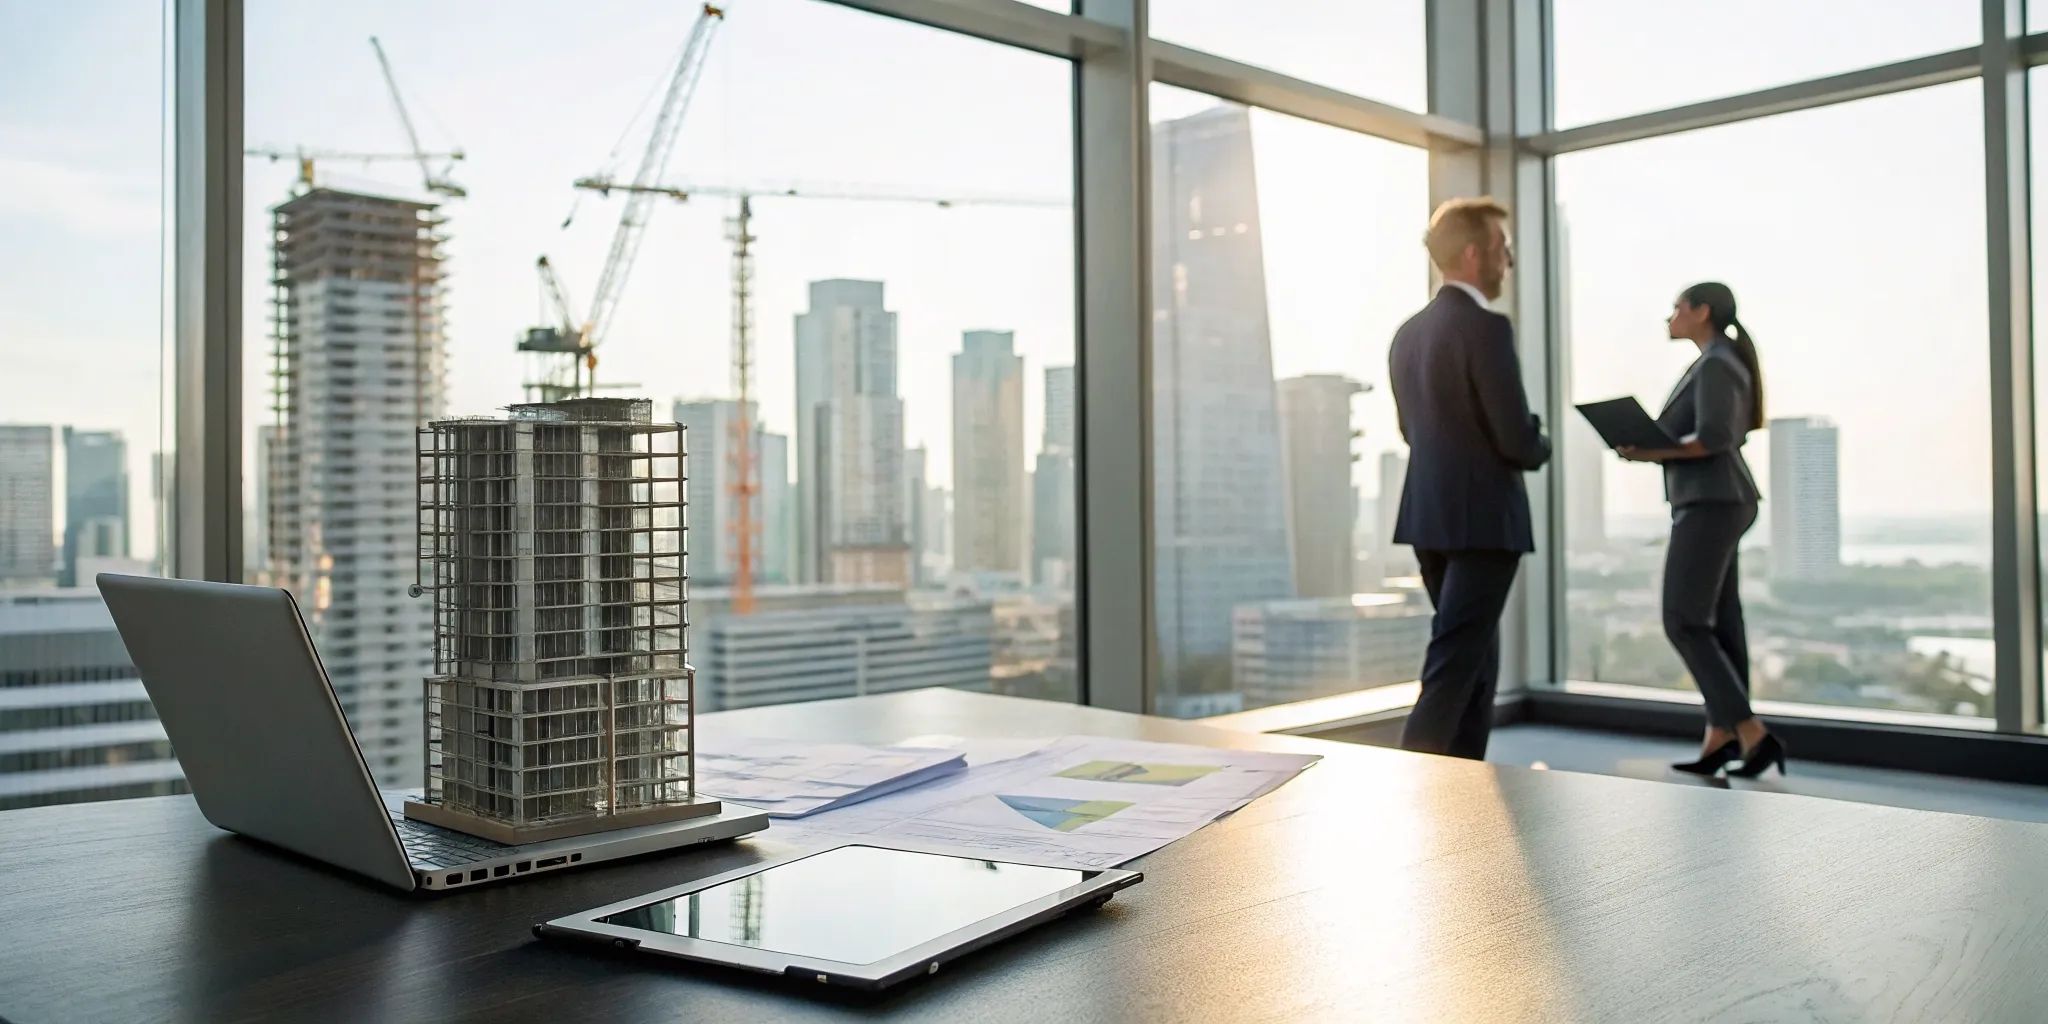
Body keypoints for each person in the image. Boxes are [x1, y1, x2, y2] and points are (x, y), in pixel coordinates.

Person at [1388, 197, 1550, 760]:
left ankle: (1465, 779)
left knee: (1475, 654)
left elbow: (1411, 430)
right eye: (1504, 250)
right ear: (1476, 252)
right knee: (1457, 657)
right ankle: (1416, 772)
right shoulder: (1487, 329)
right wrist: (1541, 438)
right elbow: (1516, 440)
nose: (1509, 263)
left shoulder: (1407, 334)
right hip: (1484, 520)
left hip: (1428, 516)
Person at [1618, 282, 1785, 778]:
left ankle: (1752, 733)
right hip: (1716, 499)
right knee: (1719, 620)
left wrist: (1648, 450)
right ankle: (1721, 735)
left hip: (1713, 502)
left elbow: (1712, 438)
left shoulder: (1715, 364)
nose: (1669, 316)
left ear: (1701, 312)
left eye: (1676, 307)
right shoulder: (1715, 362)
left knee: (1683, 620)